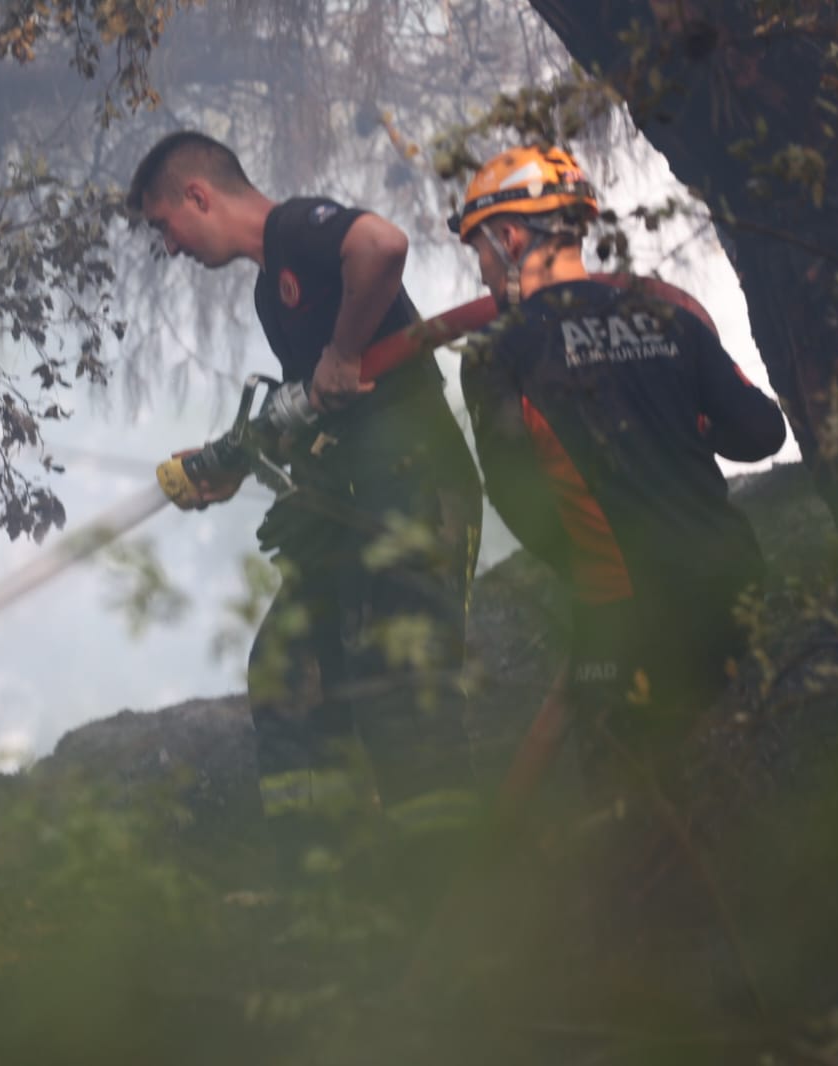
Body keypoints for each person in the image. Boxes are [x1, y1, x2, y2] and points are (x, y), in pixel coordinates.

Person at [127, 131, 484, 846]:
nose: (168, 248)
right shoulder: (271, 292)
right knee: (288, 669)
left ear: (198, 196)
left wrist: (346, 349)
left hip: (413, 489)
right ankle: (318, 880)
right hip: (356, 500)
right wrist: (230, 464)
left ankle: (447, 878)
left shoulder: (296, 229)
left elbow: (380, 246)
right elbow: (317, 404)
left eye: (164, 225)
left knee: (396, 678)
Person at [448, 145, 788, 802]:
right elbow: (760, 431)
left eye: (479, 250)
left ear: (510, 236)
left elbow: (516, 496)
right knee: (742, 769)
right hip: (727, 581)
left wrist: (587, 569)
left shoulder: (498, 351)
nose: (482, 268)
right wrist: (679, 424)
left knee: (636, 804)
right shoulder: (667, 314)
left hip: (620, 606)